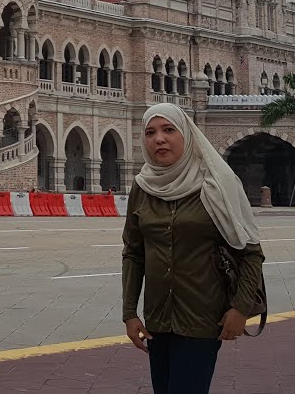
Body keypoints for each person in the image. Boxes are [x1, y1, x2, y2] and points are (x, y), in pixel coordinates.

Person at [122, 103, 265, 394]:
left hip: (203, 318)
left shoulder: (216, 183)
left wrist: (240, 308)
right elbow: (133, 253)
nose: (159, 139)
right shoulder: (142, 187)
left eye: (168, 130)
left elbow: (251, 253)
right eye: (150, 132)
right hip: (157, 321)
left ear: (187, 135)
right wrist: (129, 313)